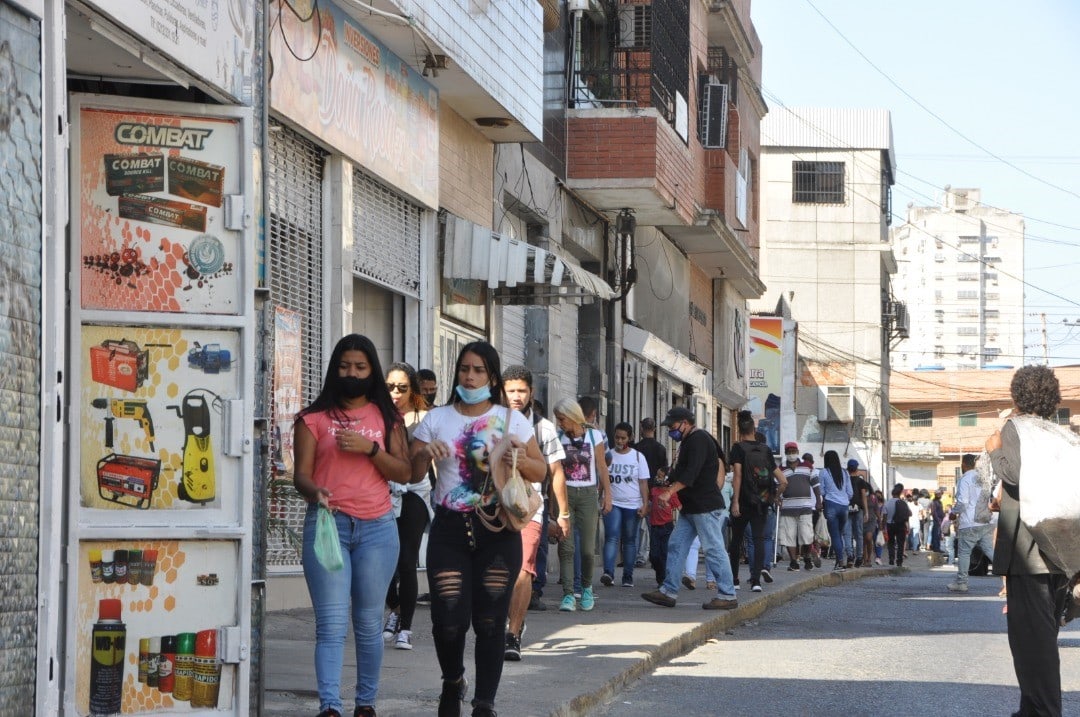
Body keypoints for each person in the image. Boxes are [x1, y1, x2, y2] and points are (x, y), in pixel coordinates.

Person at [409, 342, 548, 717]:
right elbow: (411, 473)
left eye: (479, 370)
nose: (470, 377)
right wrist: (423, 452)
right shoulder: (436, 418)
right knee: (448, 621)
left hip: (498, 531)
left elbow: (541, 471)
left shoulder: (511, 419)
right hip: (450, 529)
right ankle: (453, 680)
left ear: (492, 377)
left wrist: (519, 457)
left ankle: (485, 702)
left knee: (490, 621)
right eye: (465, 369)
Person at [292, 334, 413, 717]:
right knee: (330, 624)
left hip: (378, 529)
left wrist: (370, 449)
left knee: (367, 622)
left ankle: (365, 704)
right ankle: (330, 705)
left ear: (371, 369)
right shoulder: (313, 419)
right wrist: (316, 491)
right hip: (329, 527)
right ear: (334, 369)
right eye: (345, 366)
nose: (352, 373)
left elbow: (406, 472)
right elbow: (300, 477)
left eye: (360, 367)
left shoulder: (387, 417)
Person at [987, 365, 1071, 717]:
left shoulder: (1015, 429)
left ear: (1017, 395)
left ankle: (1046, 712)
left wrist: (994, 449)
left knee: (1032, 646)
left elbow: (1012, 474)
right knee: (1040, 639)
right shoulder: (1062, 434)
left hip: (1028, 551)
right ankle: (1030, 712)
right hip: (1061, 552)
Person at [640, 406, 738, 611]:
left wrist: (670, 492)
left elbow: (691, 473)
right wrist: (667, 482)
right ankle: (668, 591)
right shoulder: (688, 441)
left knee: (713, 548)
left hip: (705, 506)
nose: (671, 430)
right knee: (676, 544)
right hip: (691, 507)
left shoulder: (699, 439)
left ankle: (727, 595)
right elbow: (680, 472)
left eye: (673, 426)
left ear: (685, 423)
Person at [501, 365, 568, 661]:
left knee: (524, 570)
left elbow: (556, 473)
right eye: (511, 390)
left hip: (530, 507)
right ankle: (507, 620)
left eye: (522, 391)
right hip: (493, 507)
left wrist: (562, 513)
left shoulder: (543, 428)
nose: (516, 396)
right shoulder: (490, 420)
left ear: (531, 393)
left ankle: (513, 633)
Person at [381, 362, 434, 651]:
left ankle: (406, 628)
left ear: (412, 389)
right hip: (384, 492)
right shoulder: (379, 415)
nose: (395, 393)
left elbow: (432, 460)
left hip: (415, 492)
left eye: (402, 388)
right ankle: (396, 609)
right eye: (390, 387)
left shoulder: (424, 418)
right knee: (385, 562)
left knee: (406, 560)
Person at [553, 398, 612, 612]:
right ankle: (569, 593)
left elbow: (602, 467)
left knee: (587, 549)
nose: (559, 423)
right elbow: (555, 471)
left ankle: (586, 587)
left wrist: (607, 495)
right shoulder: (559, 438)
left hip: (588, 494)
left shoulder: (594, 436)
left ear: (572, 416)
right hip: (566, 494)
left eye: (562, 419)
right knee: (566, 547)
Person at [729, 412, 787, 591]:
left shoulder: (738, 448)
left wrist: (736, 501)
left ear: (739, 431)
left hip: (744, 500)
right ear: (754, 430)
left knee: (736, 540)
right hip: (762, 501)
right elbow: (784, 481)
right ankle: (756, 582)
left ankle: (735, 580)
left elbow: (737, 475)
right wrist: (775, 496)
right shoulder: (765, 450)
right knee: (759, 538)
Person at [601, 422, 650, 587]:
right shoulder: (608, 456)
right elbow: (603, 478)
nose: (619, 441)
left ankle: (628, 576)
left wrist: (645, 504)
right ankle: (608, 572)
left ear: (630, 438)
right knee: (611, 537)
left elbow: (643, 483)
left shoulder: (638, 457)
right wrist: (600, 497)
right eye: (617, 437)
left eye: (623, 438)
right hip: (613, 502)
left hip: (632, 505)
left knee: (629, 540)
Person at [779, 441, 821, 572]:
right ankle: (793, 562)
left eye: (793, 451)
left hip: (805, 507)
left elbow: (815, 484)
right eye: (789, 452)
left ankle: (807, 557)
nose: (791, 454)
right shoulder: (781, 469)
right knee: (789, 537)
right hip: (787, 508)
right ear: (786, 453)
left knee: (807, 535)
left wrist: (819, 501)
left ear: (797, 452)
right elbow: (777, 486)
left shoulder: (807, 466)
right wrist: (776, 498)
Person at [819, 450, 853, 571]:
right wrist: (843, 498)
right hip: (844, 507)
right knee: (839, 534)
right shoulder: (844, 472)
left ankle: (840, 562)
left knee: (835, 535)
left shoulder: (824, 472)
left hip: (831, 504)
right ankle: (840, 560)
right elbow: (850, 492)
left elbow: (822, 491)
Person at [647, 468, 681, 587]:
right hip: (655, 526)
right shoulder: (654, 491)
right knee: (654, 555)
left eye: (661, 476)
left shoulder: (671, 493)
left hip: (667, 527)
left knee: (665, 554)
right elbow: (649, 503)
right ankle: (660, 574)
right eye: (658, 476)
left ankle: (662, 580)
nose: (658, 479)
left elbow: (679, 507)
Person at [846, 459, 870, 568]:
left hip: (846, 508)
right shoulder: (861, 481)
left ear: (848, 468)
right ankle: (859, 557)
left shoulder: (845, 480)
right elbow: (864, 497)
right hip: (858, 509)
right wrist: (866, 511)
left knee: (847, 533)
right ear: (856, 468)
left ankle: (850, 556)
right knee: (859, 534)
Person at [882, 484, 911, 567]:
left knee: (891, 543)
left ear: (892, 494)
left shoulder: (887, 503)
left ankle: (891, 559)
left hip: (890, 525)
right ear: (899, 494)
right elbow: (909, 513)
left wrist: (883, 528)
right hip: (901, 525)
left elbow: (884, 517)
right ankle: (899, 561)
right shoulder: (903, 503)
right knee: (900, 543)